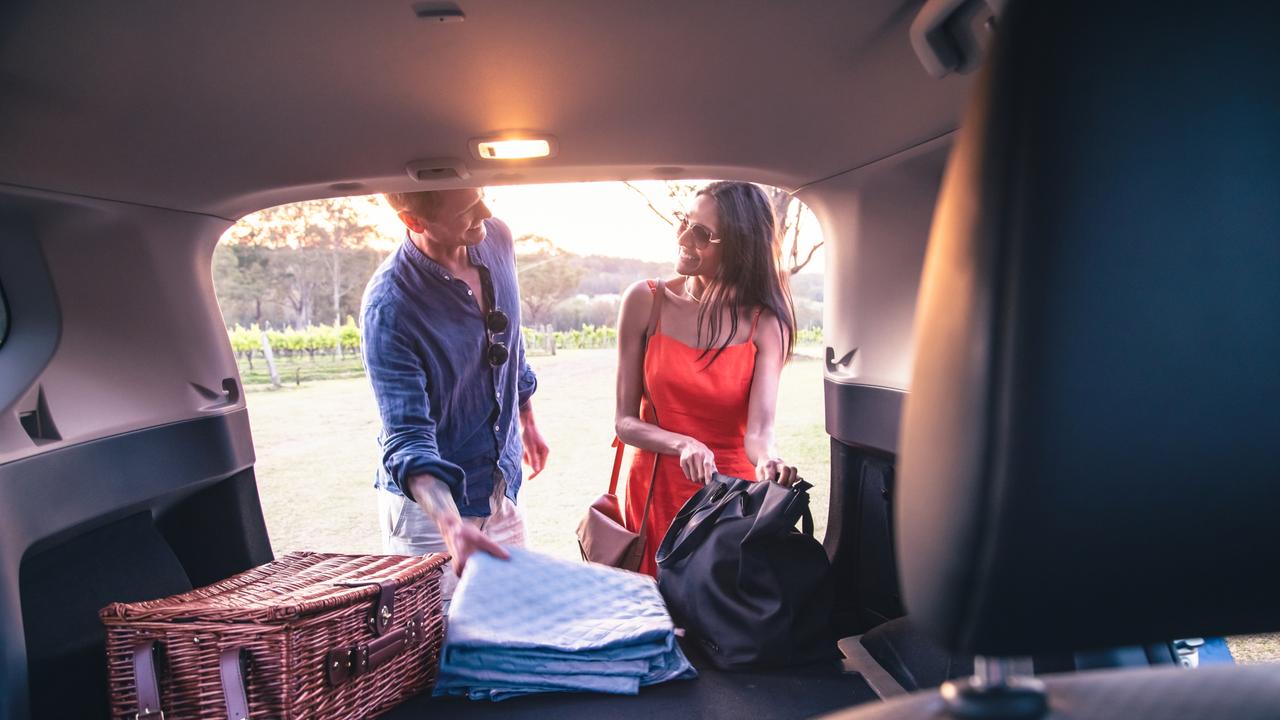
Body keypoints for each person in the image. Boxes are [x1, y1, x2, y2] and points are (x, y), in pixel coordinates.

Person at [361, 188, 550, 602]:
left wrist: (527, 418)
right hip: (431, 513)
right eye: (467, 208)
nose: (485, 211)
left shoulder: (495, 237)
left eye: (482, 196)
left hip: (499, 485)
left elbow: (510, 339)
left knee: (515, 622)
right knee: (438, 645)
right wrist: (450, 525)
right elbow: (407, 437)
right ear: (415, 222)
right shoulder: (389, 307)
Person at [614, 181, 799, 577]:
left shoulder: (767, 324)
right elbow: (624, 423)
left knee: (715, 623)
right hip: (652, 494)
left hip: (728, 499)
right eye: (685, 222)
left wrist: (769, 461)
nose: (683, 237)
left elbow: (760, 433)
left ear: (740, 248)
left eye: (701, 234)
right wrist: (683, 443)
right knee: (650, 617)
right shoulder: (645, 301)